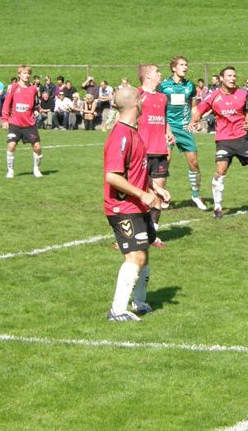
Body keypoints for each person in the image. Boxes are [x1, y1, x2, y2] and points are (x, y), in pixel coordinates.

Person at [104, 85, 170, 322]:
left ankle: (139, 303)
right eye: (140, 99)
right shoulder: (121, 135)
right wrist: (142, 195)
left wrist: (155, 188)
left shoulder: (134, 132)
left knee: (144, 255)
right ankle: (117, 310)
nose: (143, 102)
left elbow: (138, 170)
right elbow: (112, 176)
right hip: (122, 207)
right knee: (136, 258)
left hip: (137, 206)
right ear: (134, 103)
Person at [191, 66, 248, 218]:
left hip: (242, 139)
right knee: (220, 171)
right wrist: (193, 121)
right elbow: (199, 111)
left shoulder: (242, 94)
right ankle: (218, 208)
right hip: (224, 140)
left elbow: (246, 112)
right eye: (229, 76)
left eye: (234, 75)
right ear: (222, 78)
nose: (233, 78)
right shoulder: (213, 96)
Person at [159, 56, 207, 211]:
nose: (185, 67)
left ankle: (196, 195)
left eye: (186, 65)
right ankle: (162, 196)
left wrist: (195, 121)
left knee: (194, 163)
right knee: (165, 162)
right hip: (168, 128)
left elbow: (193, 107)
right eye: (181, 65)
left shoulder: (190, 86)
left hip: (185, 128)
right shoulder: (163, 86)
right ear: (174, 68)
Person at [138, 64, 175, 248]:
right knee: (136, 196)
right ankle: (128, 235)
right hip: (141, 152)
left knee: (158, 196)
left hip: (160, 151)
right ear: (147, 76)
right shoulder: (137, 95)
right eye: (157, 72)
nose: (160, 74)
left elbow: (164, 119)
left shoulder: (162, 97)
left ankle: (152, 235)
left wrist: (169, 132)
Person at [1, 65, 43, 179]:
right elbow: (6, 104)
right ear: (19, 74)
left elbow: (36, 104)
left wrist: (36, 111)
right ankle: (10, 171)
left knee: (37, 147)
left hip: (29, 123)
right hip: (15, 123)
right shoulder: (13, 87)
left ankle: (36, 169)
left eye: (28, 73)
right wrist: (4, 119)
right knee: (11, 146)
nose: (26, 75)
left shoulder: (33, 89)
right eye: (24, 73)